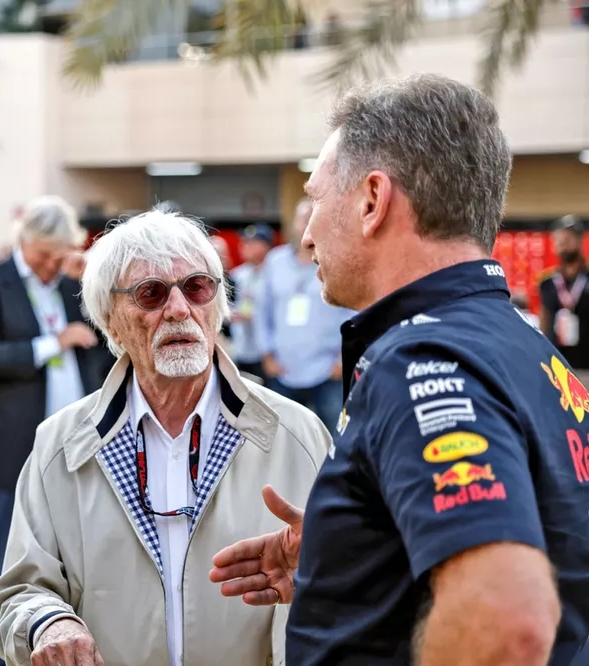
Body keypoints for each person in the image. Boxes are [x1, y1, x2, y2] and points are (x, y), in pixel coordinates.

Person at [210, 73, 589, 665]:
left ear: (371, 200)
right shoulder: (526, 346)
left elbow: (510, 621)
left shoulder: (422, 361)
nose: (306, 235)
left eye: (317, 198)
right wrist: (359, 553)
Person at [0, 206, 330, 666]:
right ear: (111, 321)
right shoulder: (60, 447)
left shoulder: (298, 436)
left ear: (218, 306)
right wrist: (49, 623)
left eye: (196, 287)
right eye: (150, 294)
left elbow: (359, 589)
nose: (178, 310)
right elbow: (19, 593)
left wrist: (330, 566)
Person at [0, 195, 110, 666]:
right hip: (11, 445)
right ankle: (1, 654)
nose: (50, 266)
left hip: (74, 446)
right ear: (24, 243)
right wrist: (50, 344)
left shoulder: (69, 286)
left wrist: (96, 279)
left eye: (59, 257)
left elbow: (105, 347)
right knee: (5, 557)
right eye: (44, 256)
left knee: (73, 554)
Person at [255, 200, 353, 432]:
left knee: (335, 438)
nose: (307, 225)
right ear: (294, 225)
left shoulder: (338, 262)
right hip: (284, 371)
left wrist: (343, 360)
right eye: (303, 219)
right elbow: (262, 310)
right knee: (284, 439)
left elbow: (352, 311)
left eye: (313, 218)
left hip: (327, 371)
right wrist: (267, 355)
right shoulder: (275, 262)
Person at [539, 215, 589, 380]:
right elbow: (545, 321)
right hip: (558, 367)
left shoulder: (586, 278)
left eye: (567, 238)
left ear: (579, 240)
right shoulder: (548, 282)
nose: (562, 243)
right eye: (558, 239)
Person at [230, 224, 274, 380]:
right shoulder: (238, 275)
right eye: (244, 242)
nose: (244, 246)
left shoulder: (275, 273)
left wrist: (253, 314)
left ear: (265, 246)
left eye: (251, 242)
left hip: (268, 352)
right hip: (242, 348)